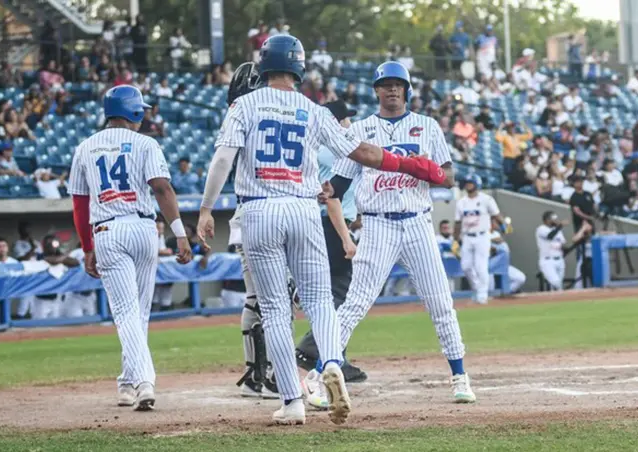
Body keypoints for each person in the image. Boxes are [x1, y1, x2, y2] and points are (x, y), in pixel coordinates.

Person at [196, 39, 443, 426]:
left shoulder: (244, 105)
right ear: (299, 68)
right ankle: (330, 363)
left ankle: (292, 402)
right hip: (303, 209)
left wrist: (207, 209)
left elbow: (223, 158)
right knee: (320, 301)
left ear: (263, 66)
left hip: (258, 209)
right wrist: (409, 165)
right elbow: (363, 153)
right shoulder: (313, 110)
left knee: (276, 309)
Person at [304, 60, 473, 410]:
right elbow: (339, 183)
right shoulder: (363, 128)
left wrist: (432, 173)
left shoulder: (426, 126)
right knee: (355, 304)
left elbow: (450, 176)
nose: (392, 90)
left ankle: (459, 376)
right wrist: (321, 190)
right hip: (378, 223)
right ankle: (318, 375)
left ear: (407, 90)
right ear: (376, 90)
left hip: (417, 222)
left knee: (440, 301)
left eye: (398, 84)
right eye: (386, 85)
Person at [68, 85, 193, 411]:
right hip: (143, 228)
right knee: (139, 312)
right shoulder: (146, 143)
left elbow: (80, 205)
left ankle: (142, 381)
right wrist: (179, 233)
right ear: (134, 111)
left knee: (126, 314)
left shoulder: (85, 146)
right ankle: (129, 382)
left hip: (107, 229)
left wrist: (86, 246)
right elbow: (162, 189)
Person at [295, 99, 368, 389]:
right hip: (331, 225)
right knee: (339, 293)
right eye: (345, 119)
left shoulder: (321, 150)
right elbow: (333, 199)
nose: (349, 123)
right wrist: (346, 238)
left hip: (330, 223)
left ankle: (333, 355)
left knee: (334, 293)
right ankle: (317, 350)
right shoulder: (332, 151)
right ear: (335, 121)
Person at [454, 175, 505, 304]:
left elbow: (496, 215)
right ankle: (476, 288)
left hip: (482, 235)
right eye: (467, 182)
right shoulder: (461, 202)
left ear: (477, 183)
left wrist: (504, 226)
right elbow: (458, 222)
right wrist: (455, 240)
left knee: (480, 266)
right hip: (467, 236)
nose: (468, 185)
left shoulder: (486, 199)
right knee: (465, 266)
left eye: (471, 182)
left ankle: (482, 295)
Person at [536, 211, 592, 290]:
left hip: (559, 260)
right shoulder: (541, 229)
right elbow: (550, 236)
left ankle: (553, 300)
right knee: (556, 282)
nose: (556, 220)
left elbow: (563, 245)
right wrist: (561, 225)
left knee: (558, 286)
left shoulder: (558, 231)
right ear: (547, 220)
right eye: (553, 219)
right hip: (547, 261)